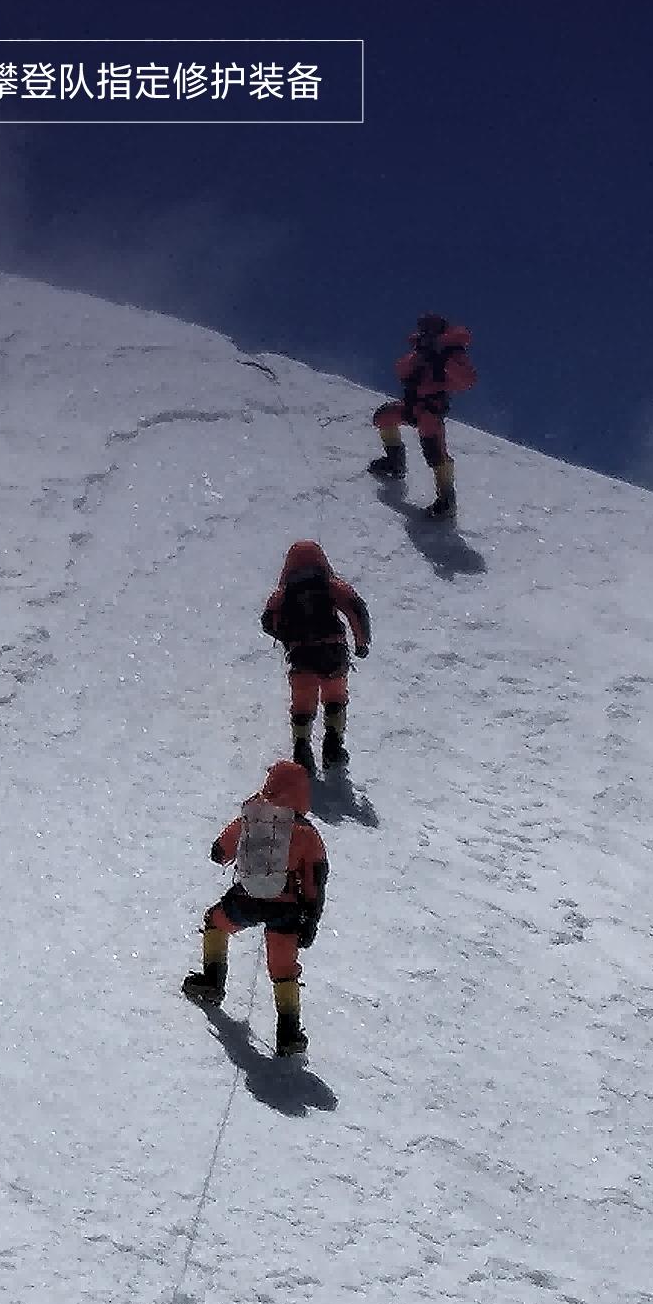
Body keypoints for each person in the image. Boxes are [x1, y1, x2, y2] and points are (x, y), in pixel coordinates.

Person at [182, 760, 328, 1057]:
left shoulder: (253, 816)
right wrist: (311, 918)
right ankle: (288, 1034)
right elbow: (315, 880)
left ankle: (212, 982)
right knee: (283, 968)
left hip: (247, 899)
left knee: (216, 922)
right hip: (286, 909)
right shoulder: (306, 833)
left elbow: (220, 850)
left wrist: (225, 851)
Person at [260, 540, 371, 772]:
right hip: (333, 652)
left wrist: (287, 636)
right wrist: (361, 643)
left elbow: (268, 620)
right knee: (335, 697)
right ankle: (333, 745)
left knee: (302, 703)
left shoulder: (284, 593)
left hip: (301, 656)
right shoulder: (330, 585)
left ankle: (302, 749)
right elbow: (356, 608)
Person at [369, 311, 477, 517]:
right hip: (411, 406)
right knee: (383, 417)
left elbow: (467, 380)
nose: (426, 332)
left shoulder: (452, 353)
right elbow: (401, 370)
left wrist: (444, 360)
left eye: (430, 328)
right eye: (424, 329)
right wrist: (420, 356)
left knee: (434, 449)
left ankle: (446, 499)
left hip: (430, 410)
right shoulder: (420, 351)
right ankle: (394, 462)